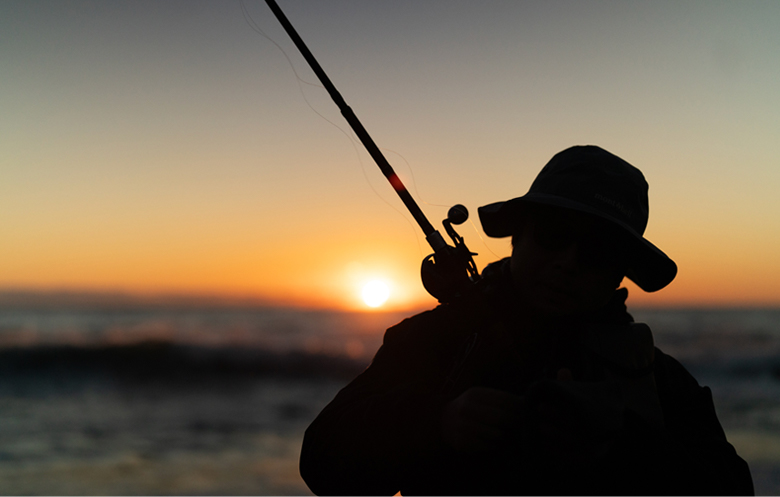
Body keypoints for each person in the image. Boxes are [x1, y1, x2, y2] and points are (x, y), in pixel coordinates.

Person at [299, 145, 754, 495]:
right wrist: (437, 422)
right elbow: (321, 461)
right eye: (553, 236)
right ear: (517, 236)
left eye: (596, 252)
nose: (567, 262)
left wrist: (622, 448)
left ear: (621, 270)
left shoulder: (660, 380)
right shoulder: (434, 341)